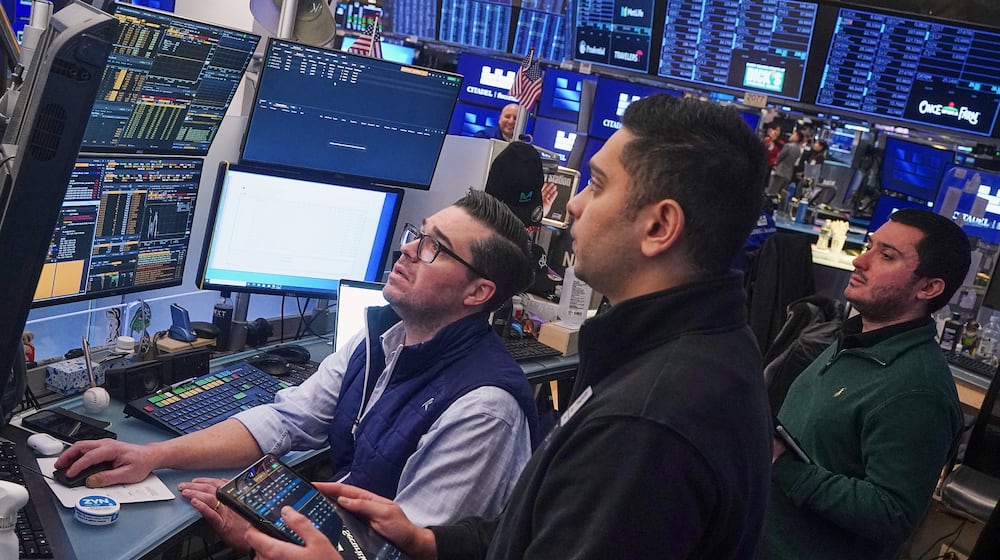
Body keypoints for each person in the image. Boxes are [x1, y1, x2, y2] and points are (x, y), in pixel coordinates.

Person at [242, 94, 774, 560]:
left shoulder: (647, 425)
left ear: (659, 226)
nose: (575, 204)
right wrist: (434, 543)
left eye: (597, 184)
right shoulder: (684, 356)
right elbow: (540, 529)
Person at [54, 190, 540, 548]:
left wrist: (260, 533)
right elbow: (287, 420)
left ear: (478, 293)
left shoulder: (483, 409)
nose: (408, 249)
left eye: (436, 247)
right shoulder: (382, 340)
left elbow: (398, 551)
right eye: (418, 234)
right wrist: (155, 456)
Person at [758, 209, 969, 560]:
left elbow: (892, 513)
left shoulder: (917, 389)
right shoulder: (855, 341)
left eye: (886, 255)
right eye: (870, 246)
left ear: (929, 287)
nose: (859, 260)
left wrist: (785, 466)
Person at [767, 129, 803, 196]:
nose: (791, 136)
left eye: (794, 134)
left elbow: (780, 157)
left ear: (797, 137)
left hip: (780, 172)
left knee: (772, 192)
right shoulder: (799, 149)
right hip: (788, 174)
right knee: (780, 195)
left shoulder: (788, 146)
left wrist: (775, 164)